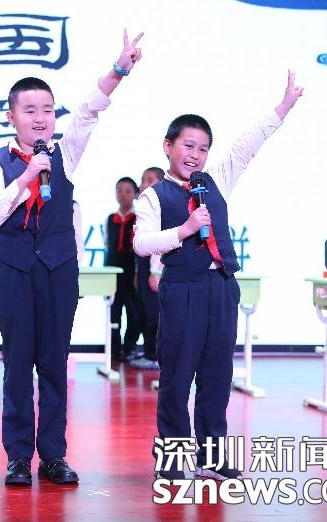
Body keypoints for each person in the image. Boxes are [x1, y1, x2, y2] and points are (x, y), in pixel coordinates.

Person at [0, 30, 144, 486]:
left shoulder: (65, 152)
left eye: (48, 110)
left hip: (58, 272)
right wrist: (26, 176)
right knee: (17, 364)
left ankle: (53, 455)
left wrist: (119, 69)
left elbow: (90, 110)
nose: (40, 118)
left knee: (54, 363)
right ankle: (18, 457)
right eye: (30, 110)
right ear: (12, 116)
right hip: (13, 272)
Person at [134, 71, 303, 480]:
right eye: (188, 146)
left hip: (221, 287)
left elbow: (248, 144)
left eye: (203, 148)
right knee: (177, 378)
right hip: (182, 289)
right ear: (168, 146)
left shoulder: (216, 181)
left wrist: (283, 106)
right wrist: (185, 230)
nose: (195, 155)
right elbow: (141, 243)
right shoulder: (153, 195)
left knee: (216, 376)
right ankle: (173, 459)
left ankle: (211, 457)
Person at [130, 167, 165, 371]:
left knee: (154, 314)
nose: (143, 184)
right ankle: (149, 351)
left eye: (149, 180)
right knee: (144, 310)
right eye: (143, 179)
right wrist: (139, 271)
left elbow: (159, 244)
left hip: (155, 268)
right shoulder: (145, 208)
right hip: (144, 266)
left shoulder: (162, 208)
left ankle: (155, 355)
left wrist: (154, 272)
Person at [105, 177, 142, 363]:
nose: (123, 194)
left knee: (134, 314)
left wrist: (138, 272)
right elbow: (107, 245)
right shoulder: (110, 219)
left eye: (128, 191)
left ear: (135, 194)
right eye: (119, 190)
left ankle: (129, 347)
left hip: (131, 272)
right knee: (113, 313)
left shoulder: (139, 218)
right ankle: (114, 350)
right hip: (112, 272)